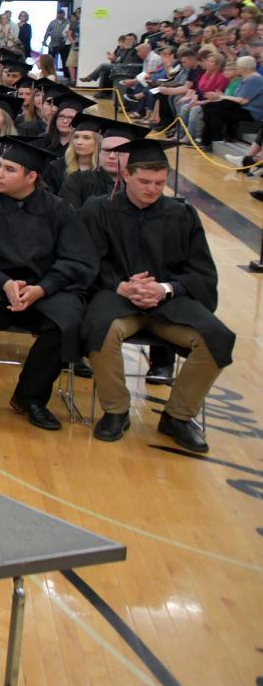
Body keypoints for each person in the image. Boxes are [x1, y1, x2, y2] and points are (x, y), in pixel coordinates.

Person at [79, 138, 235, 453]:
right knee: (99, 329)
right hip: (116, 296)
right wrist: (121, 286)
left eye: (160, 183)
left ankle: (177, 417)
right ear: (126, 175)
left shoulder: (182, 214)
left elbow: (202, 273)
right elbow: (85, 261)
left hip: (169, 302)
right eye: (145, 182)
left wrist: (164, 288)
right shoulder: (99, 209)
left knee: (217, 337)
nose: (153, 189)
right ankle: (116, 410)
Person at [0, 135, 97, 430]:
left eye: (9, 169)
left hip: (45, 288)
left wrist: (43, 288)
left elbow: (76, 259)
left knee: (66, 321)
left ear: (31, 177)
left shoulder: (59, 210)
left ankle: (31, 398)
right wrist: (3, 282)